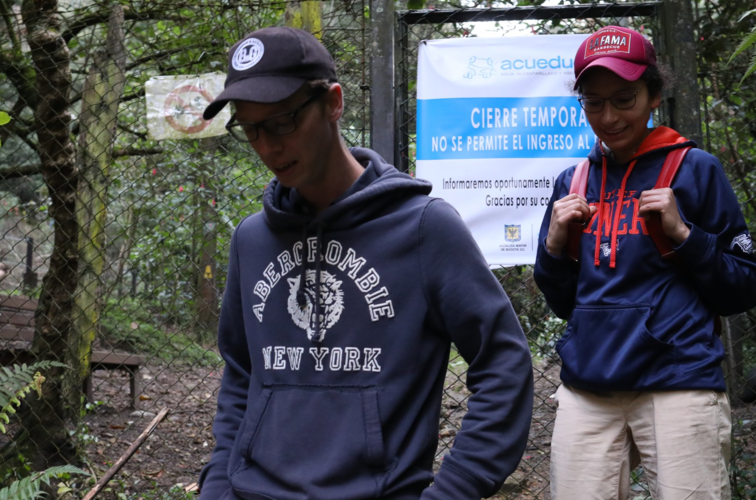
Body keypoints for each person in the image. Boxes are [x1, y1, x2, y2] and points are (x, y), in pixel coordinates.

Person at [196, 26, 535, 500]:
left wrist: (454, 491)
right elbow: (241, 374)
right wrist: (216, 488)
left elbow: (504, 367)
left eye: (282, 122)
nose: (268, 147)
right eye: (250, 129)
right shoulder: (252, 239)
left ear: (333, 103)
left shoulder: (423, 228)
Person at [533, 26, 756, 500]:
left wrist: (685, 236)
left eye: (624, 99)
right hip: (588, 388)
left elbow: (745, 287)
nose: (609, 117)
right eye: (593, 103)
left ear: (654, 94)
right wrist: (554, 247)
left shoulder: (696, 170)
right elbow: (565, 303)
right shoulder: (572, 182)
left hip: (678, 381)